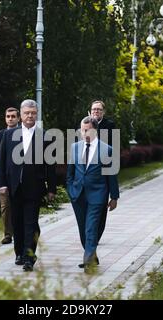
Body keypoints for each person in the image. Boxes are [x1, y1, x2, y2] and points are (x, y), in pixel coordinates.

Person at [0, 99, 56, 272]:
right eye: (26, 113)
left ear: (37, 115)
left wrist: (52, 188)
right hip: (13, 187)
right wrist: (2, 184)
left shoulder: (46, 136)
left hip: (34, 187)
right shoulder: (8, 136)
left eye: (33, 113)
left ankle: (29, 257)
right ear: (21, 115)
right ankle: (19, 253)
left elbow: (50, 165)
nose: (30, 116)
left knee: (31, 222)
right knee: (17, 222)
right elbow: (1, 162)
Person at [66, 116, 119, 273]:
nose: (85, 133)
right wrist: (70, 189)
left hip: (98, 195)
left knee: (91, 228)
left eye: (88, 130)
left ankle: (88, 260)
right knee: (83, 229)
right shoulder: (75, 147)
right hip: (78, 195)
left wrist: (114, 197)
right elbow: (70, 173)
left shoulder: (106, 150)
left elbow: (111, 175)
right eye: (82, 130)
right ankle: (92, 254)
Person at [0, 107, 20, 245]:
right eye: (8, 116)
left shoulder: (23, 134)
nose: (10, 119)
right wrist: (0, 175)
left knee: (18, 207)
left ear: (18, 118)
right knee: (5, 207)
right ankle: (8, 234)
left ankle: (19, 231)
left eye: (13, 116)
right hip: (4, 179)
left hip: (20, 179)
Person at [89, 100, 116, 242]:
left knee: (101, 207)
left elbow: (112, 148)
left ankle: (96, 235)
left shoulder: (109, 125)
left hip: (103, 171)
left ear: (103, 112)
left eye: (99, 110)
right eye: (94, 109)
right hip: (87, 171)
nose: (96, 112)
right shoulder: (84, 124)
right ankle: (90, 235)